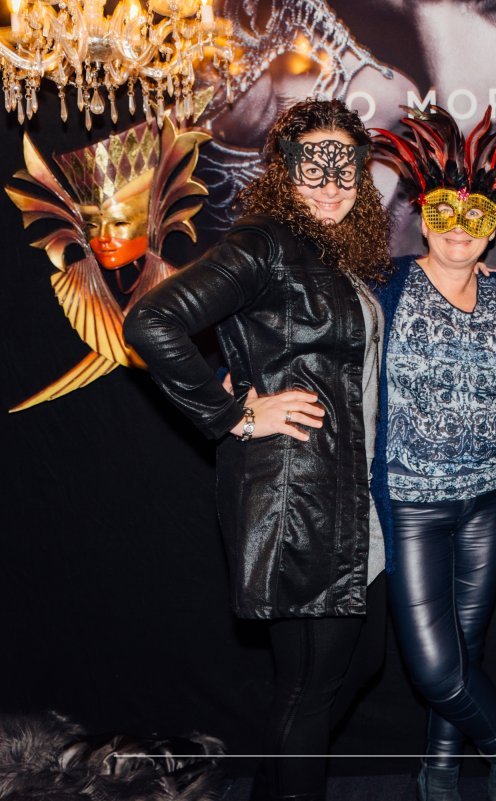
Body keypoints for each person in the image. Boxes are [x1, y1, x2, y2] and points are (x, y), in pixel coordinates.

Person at [123, 99, 392, 801]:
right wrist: (235, 414)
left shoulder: (332, 254)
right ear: (284, 173)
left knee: (355, 666)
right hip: (298, 498)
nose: (331, 184)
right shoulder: (266, 241)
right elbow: (152, 319)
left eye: (345, 168)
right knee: (308, 689)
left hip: (347, 494)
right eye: (314, 166)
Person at [370, 105, 496, 801]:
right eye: (444, 210)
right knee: (433, 665)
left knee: (466, 648)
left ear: (494, 224)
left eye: (476, 216)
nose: (459, 227)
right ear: (422, 214)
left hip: (488, 497)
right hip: (412, 500)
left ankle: (440, 768)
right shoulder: (385, 285)